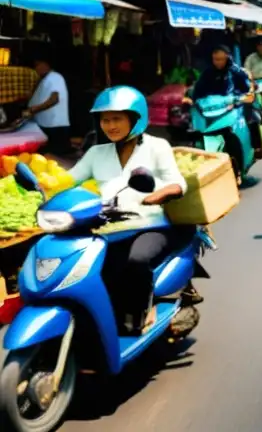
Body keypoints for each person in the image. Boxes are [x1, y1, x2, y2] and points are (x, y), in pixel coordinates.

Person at [70, 86, 189, 335]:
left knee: (137, 259)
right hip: (108, 227)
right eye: (105, 119)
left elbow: (178, 182)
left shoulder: (157, 147)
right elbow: (69, 180)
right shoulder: (95, 153)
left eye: (117, 119)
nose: (110, 125)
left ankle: (143, 311)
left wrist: (160, 194)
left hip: (150, 225)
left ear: (135, 119)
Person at [23, 56, 71, 156]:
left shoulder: (55, 77)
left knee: (54, 155)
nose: (36, 69)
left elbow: (54, 99)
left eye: (37, 65)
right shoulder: (45, 79)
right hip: (46, 125)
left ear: (46, 64)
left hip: (54, 126)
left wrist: (34, 109)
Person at [184, 45, 253, 104]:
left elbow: (246, 90)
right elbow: (198, 90)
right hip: (212, 108)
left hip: (233, 106)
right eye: (215, 59)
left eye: (220, 59)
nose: (218, 62)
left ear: (227, 58)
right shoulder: (208, 72)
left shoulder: (236, 71)